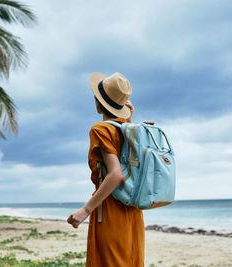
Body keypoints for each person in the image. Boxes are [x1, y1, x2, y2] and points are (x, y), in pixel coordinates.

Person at [67, 72, 145, 266]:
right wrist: (128, 120)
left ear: (99, 102)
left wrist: (86, 209)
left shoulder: (100, 130)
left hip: (110, 210)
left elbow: (116, 173)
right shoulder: (129, 129)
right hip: (133, 210)